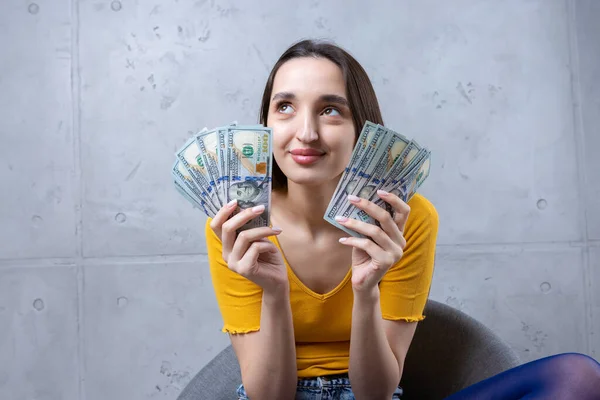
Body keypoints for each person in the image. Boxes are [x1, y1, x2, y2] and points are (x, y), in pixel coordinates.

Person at [205, 39, 600, 399]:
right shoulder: (236, 225)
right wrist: (273, 293)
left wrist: (367, 290)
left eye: (330, 110)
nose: (306, 132)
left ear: (362, 128)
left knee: (577, 376)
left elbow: (376, 393)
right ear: (265, 124)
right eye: (285, 107)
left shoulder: (406, 219)